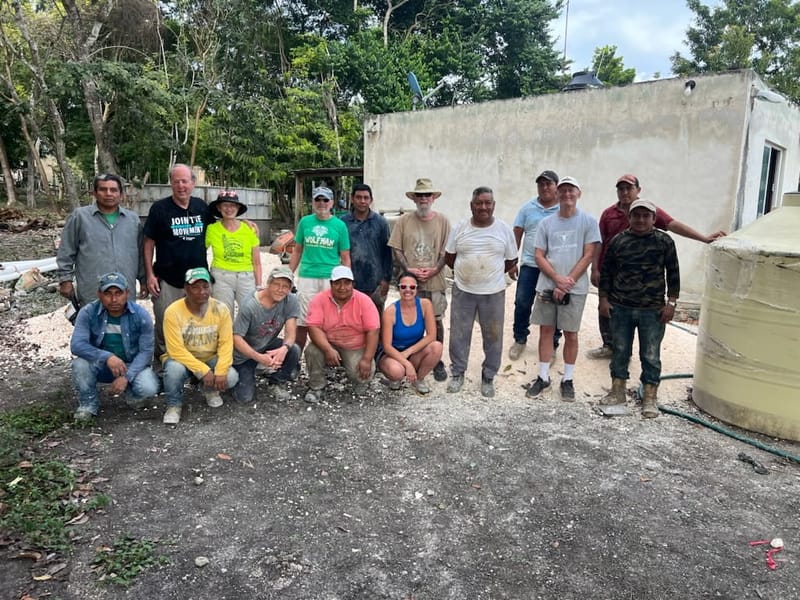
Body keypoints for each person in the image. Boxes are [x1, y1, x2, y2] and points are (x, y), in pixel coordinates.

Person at [587, 173, 725, 359]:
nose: (625, 192)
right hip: (611, 271)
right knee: (605, 308)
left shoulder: (648, 211)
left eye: (629, 188)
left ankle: (625, 352)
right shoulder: (608, 214)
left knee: (634, 317)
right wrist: (595, 268)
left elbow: (673, 224)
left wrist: (704, 238)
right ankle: (609, 346)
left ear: (638, 190)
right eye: (621, 188)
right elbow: (600, 242)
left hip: (640, 278)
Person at [598, 199, 681, 418]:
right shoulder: (618, 241)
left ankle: (650, 397)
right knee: (620, 352)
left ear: (654, 219)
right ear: (630, 218)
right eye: (637, 215)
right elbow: (606, 272)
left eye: (646, 216)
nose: (641, 220)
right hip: (621, 307)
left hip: (652, 310)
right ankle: (617, 391)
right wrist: (603, 300)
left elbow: (673, 274)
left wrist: (671, 303)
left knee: (650, 355)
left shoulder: (665, 242)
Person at [526, 176, 601, 401]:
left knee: (571, 333)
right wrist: (557, 278)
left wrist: (567, 282)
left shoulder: (588, 221)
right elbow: (538, 254)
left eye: (571, 190)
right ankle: (543, 376)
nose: (567, 194)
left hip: (575, 288)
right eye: (563, 191)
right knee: (546, 330)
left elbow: (589, 254)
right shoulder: (546, 223)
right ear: (557, 195)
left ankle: (567, 379)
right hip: (548, 284)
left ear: (579, 193)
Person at [443, 186, 518, 398]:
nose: (483, 207)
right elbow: (449, 258)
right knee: (459, 333)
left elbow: (511, 260)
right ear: (471, 206)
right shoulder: (460, 228)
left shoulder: (504, 230)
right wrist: (468, 273)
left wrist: (490, 275)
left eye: (487, 203)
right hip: (463, 290)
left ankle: (488, 376)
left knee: (493, 336)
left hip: (493, 292)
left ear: (493, 205)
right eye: (479, 203)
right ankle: (457, 373)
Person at [70, 272, 159, 422]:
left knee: (149, 387)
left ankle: (132, 393)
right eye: (108, 294)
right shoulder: (88, 312)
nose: (114, 299)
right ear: (99, 294)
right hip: (101, 365)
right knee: (80, 364)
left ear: (127, 293)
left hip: (130, 365)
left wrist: (126, 377)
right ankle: (88, 404)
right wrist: (107, 357)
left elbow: (146, 352)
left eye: (119, 293)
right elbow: (77, 345)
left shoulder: (141, 315)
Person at [143, 164, 210, 356]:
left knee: (196, 322)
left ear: (193, 183)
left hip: (198, 279)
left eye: (185, 181)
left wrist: (244, 223)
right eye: (176, 181)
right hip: (167, 278)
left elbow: (224, 222)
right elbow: (148, 243)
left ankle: (193, 361)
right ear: (171, 184)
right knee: (166, 321)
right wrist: (149, 275)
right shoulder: (159, 209)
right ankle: (165, 361)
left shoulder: (201, 207)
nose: (181, 186)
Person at [388, 178, 451, 382]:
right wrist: (409, 270)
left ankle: (437, 359)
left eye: (427, 195)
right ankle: (407, 358)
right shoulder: (404, 221)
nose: (424, 198)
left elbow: (447, 252)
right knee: (408, 319)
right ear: (414, 198)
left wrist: (435, 269)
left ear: (433, 198)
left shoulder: (443, 221)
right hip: (409, 282)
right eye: (420, 195)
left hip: (435, 280)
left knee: (436, 320)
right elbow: (396, 248)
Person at [161, 267, 238, 425]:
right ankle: (174, 404)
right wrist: (202, 371)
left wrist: (221, 371)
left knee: (231, 377)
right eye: (195, 287)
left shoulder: (221, 309)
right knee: (173, 370)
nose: (202, 291)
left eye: (205, 286)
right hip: (180, 360)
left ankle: (208, 389)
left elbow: (226, 344)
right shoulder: (172, 312)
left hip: (210, 357)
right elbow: (175, 350)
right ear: (186, 289)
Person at [57, 174, 143, 309]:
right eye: (103, 189)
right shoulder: (80, 217)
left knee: (125, 327)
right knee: (93, 327)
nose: (108, 194)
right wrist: (65, 280)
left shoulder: (132, 220)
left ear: (121, 194)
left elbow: (140, 254)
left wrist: (143, 280)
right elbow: (66, 250)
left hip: (125, 290)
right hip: (92, 290)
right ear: (95, 193)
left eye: (114, 190)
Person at [303, 266, 380, 403]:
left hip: (355, 345)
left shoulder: (364, 301)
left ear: (353, 284)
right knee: (312, 350)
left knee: (362, 376)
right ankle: (316, 386)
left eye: (347, 283)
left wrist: (367, 359)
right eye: (337, 283)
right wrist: (327, 349)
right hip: (329, 341)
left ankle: (359, 380)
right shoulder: (319, 299)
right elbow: (313, 327)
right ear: (331, 284)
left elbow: (373, 331)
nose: (342, 287)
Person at [509, 169, 562, 361]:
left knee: (553, 305)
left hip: (555, 269)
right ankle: (520, 339)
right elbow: (517, 233)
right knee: (522, 302)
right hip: (530, 265)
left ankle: (553, 344)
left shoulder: (564, 209)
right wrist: (512, 260)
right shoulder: (527, 208)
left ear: (556, 186)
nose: (545, 187)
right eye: (541, 184)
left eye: (549, 183)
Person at [289, 186, 351, 349]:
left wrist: (347, 280)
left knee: (329, 320)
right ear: (313, 202)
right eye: (318, 199)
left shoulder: (340, 225)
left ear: (332, 203)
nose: (321, 203)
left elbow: (345, 256)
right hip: (307, 276)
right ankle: (295, 359)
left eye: (325, 200)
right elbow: (297, 250)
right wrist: (288, 274)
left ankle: (329, 357)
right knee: (303, 320)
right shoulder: (305, 222)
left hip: (330, 278)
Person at [232, 266, 301, 403]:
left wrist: (284, 348)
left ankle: (276, 380)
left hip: (267, 343)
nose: (281, 290)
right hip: (245, 352)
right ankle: (241, 374)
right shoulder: (250, 305)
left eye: (286, 286)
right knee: (244, 398)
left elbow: (291, 330)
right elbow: (236, 338)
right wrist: (259, 358)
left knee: (294, 349)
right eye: (277, 284)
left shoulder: (291, 300)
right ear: (268, 283)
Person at [377, 272, 443, 394]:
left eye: (412, 287)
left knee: (437, 347)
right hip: (393, 354)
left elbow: (431, 336)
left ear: (417, 289)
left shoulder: (425, 305)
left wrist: (408, 352)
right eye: (403, 287)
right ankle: (395, 378)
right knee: (397, 371)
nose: (408, 290)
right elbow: (387, 346)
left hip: (413, 352)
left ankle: (418, 379)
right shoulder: (390, 311)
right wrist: (407, 364)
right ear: (398, 289)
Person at [205, 190, 262, 318]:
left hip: (246, 277)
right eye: (225, 205)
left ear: (238, 208)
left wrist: (259, 286)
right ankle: (226, 339)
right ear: (219, 208)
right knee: (222, 316)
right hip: (221, 276)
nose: (229, 209)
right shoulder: (212, 229)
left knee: (249, 314)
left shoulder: (249, 229)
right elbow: (199, 250)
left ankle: (244, 339)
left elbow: (257, 262)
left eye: (232, 205)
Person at [340, 183, 393, 315]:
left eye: (365, 198)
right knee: (352, 322)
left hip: (375, 284)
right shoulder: (343, 223)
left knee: (375, 324)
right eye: (358, 197)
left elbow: (388, 253)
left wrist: (386, 280)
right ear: (352, 199)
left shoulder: (380, 223)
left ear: (371, 200)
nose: (362, 201)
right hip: (350, 283)